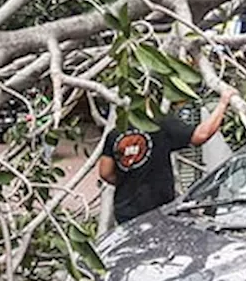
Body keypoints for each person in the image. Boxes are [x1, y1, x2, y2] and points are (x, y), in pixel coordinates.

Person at [98, 90, 231, 224]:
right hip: (157, 211)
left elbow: (105, 172)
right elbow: (201, 135)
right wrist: (223, 103)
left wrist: (128, 180)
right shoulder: (161, 124)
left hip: (125, 211)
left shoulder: (115, 133)